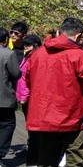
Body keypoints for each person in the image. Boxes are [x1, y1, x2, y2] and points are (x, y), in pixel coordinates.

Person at [25, 17, 83, 167]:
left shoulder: (38, 53)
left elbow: (28, 80)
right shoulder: (78, 54)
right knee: (75, 156)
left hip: (44, 114)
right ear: (78, 35)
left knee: (46, 157)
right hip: (72, 115)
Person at [15, 34, 42, 166]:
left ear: (36, 45)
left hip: (30, 98)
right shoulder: (27, 57)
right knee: (31, 128)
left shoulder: (34, 58)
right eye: (25, 44)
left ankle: (34, 156)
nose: (25, 46)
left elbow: (28, 80)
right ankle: (33, 154)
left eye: (29, 44)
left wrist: (24, 97)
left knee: (34, 129)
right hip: (24, 97)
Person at [0, 27, 21, 164]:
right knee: (7, 125)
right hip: (4, 97)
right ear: (6, 39)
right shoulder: (8, 54)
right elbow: (16, 74)